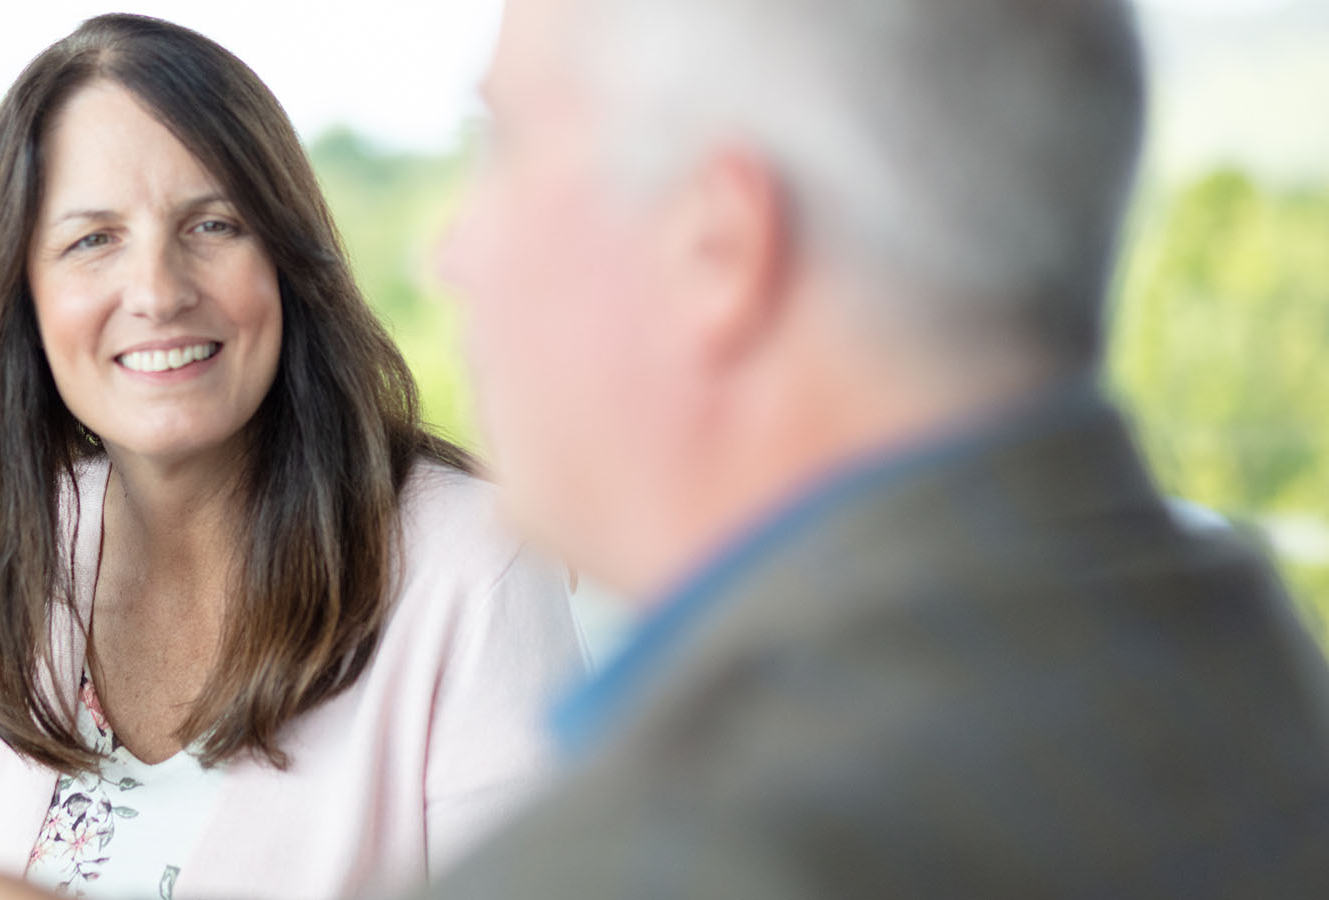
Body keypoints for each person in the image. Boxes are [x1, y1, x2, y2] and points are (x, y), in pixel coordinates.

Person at [421, 0, 1329, 895]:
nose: (450, 255)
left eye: (503, 145)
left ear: (718, 244)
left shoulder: (647, 862)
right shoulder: (1262, 680)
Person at [0, 12, 582, 900]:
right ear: (24, 297)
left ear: (285, 256)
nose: (158, 292)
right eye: (94, 239)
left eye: (214, 225)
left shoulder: (476, 564)